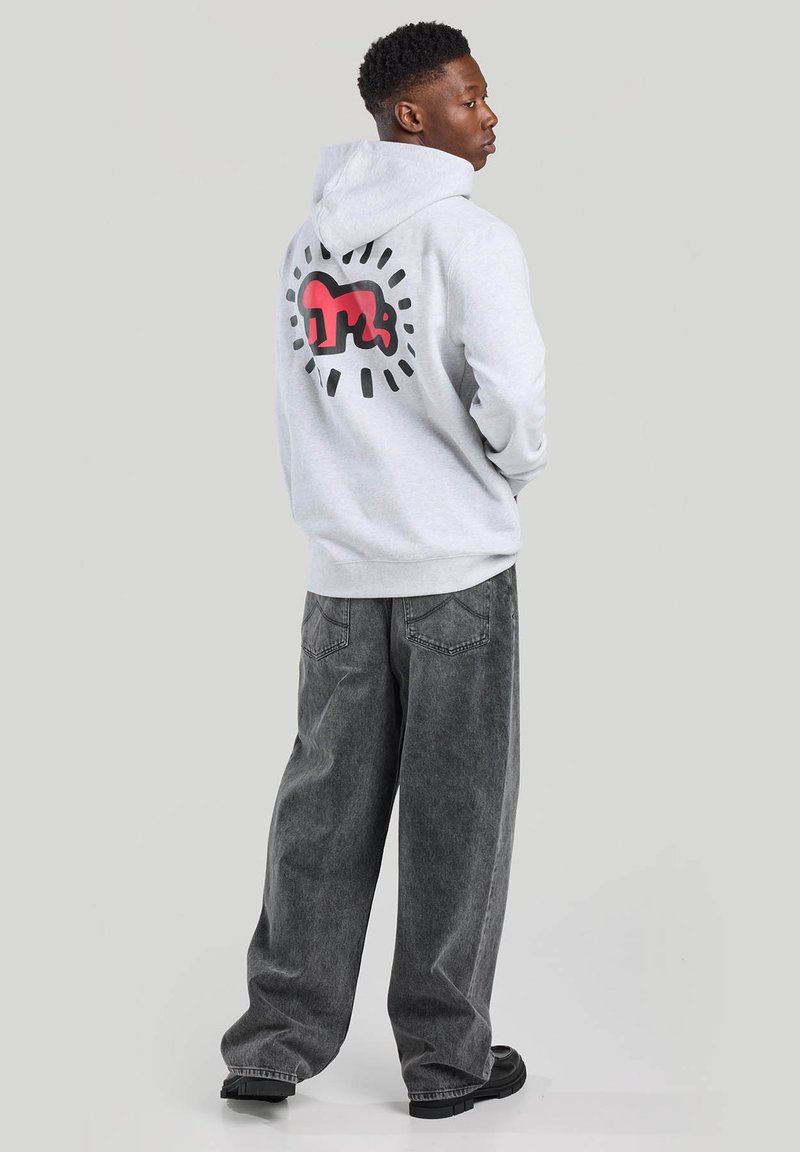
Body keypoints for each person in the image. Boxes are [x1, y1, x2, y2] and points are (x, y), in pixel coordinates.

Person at [219, 20, 547, 1120]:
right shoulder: (469, 236)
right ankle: (445, 1063)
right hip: (454, 565)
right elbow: (513, 398)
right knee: (457, 814)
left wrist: (333, 508)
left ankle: (273, 1045)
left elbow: (296, 399)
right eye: (469, 97)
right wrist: (507, 472)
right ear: (413, 115)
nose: (488, 115)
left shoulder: (307, 242)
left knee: (323, 805)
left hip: (342, 568)